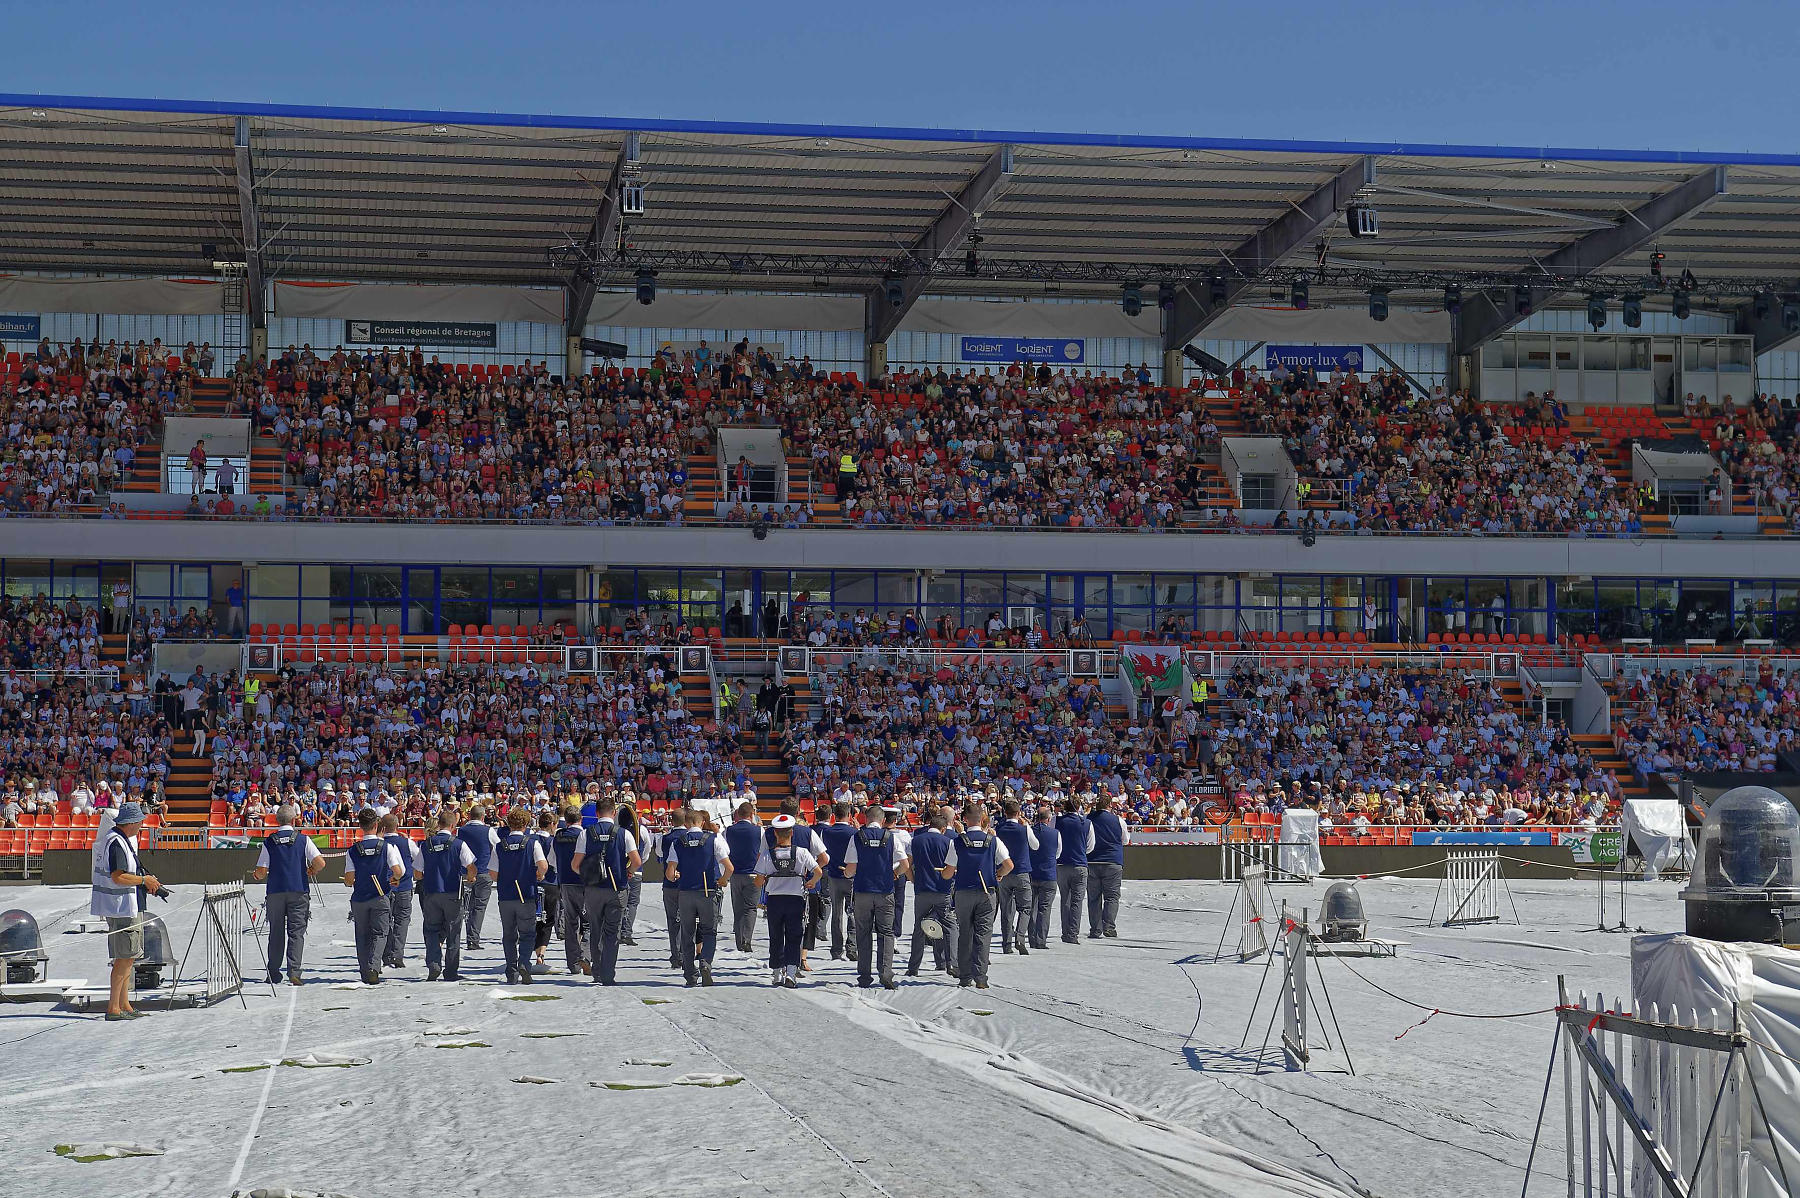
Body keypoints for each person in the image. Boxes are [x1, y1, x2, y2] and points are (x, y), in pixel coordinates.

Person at [91, 802, 165, 1020]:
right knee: (123, 959)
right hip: (122, 908)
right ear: (131, 822)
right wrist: (144, 879)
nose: (142, 823)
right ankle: (114, 1008)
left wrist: (146, 883)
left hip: (128, 905)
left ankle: (124, 1004)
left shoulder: (122, 840)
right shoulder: (116, 843)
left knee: (129, 958)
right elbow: (118, 877)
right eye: (140, 820)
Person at [570, 797, 641, 985]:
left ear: (596, 814)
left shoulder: (586, 833)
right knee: (612, 932)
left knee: (595, 929)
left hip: (593, 890)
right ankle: (608, 973)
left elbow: (575, 865)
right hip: (616, 889)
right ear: (614, 813)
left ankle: (598, 971)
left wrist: (588, 876)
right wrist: (628, 873)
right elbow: (637, 861)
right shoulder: (624, 834)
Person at [252, 802, 324, 985]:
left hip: (275, 891)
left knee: (276, 932)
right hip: (299, 890)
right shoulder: (303, 839)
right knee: (296, 932)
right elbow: (321, 862)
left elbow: (261, 870)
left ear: (276, 820)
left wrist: (257, 875)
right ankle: (294, 972)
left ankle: (274, 972)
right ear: (294, 820)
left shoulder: (269, 841)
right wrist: (312, 870)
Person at [943, 805, 1012, 989]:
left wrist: (945, 874)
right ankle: (981, 977)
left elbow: (948, 872)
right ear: (982, 819)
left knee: (965, 934)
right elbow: (1009, 865)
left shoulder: (957, 841)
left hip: (964, 892)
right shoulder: (993, 840)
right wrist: (998, 874)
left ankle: (965, 976)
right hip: (986, 892)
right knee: (983, 935)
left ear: (965, 819)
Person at [664, 808, 732, 986]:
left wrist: (677, 875)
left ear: (686, 823)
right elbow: (729, 867)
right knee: (709, 931)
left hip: (686, 892)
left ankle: (689, 974)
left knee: (687, 934)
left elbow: (670, 873)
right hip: (707, 891)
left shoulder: (677, 842)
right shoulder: (713, 839)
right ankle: (705, 963)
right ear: (702, 823)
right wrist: (723, 881)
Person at [753, 814, 821, 988]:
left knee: (775, 936)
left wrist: (766, 879)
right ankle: (791, 974)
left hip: (775, 900)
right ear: (792, 833)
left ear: (775, 833)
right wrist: (811, 882)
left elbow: (758, 881)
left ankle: (776, 974)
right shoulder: (802, 852)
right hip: (795, 899)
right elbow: (818, 871)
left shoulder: (768, 855)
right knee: (794, 935)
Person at [843, 804, 906, 989]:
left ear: (865, 818)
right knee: (886, 933)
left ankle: (864, 976)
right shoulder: (891, 837)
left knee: (863, 933)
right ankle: (886, 973)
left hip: (863, 891)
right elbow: (904, 865)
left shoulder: (857, 837)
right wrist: (894, 874)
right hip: (885, 891)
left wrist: (847, 874)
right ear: (883, 820)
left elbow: (851, 868)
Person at [343, 807, 404, 985]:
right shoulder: (387, 847)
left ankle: (365, 970)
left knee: (361, 935)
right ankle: (373, 967)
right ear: (376, 825)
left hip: (360, 897)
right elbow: (398, 871)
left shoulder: (352, 850)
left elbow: (348, 880)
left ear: (360, 826)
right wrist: (394, 878)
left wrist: (351, 881)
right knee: (380, 933)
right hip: (380, 896)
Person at [492, 808, 548, 985]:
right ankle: (524, 963)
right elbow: (543, 865)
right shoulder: (532, 843)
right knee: (527, 933)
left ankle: (511, 970)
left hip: (506, 895)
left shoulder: (499, 845)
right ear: (525, 824)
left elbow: (493, 873)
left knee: (509, 935)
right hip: (526, 893)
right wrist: (539, 874)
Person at [417, 811, 476, 981]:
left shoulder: (426, 844)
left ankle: (434, 965)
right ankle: (450, 971)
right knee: (453, 932)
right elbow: (471, 866)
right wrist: (471, 876)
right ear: (452, 826)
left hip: (431, 892)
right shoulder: (459, 844)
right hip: (453, 893)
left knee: (431, 930)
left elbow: (417, 872)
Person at [905, 807, 957, 977]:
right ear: (943, 829)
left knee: (918, 928)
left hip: (922, 890)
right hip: (942, 890)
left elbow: (907, 864)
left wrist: (913, 879)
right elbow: (952, 866)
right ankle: (952, 964)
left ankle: (913, 967)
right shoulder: (947, 842)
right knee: (950, 927)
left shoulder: (916, 840)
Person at [993, 798, 1038, 955]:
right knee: (1025, 908)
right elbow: (1035, 845)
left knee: (1006, 909)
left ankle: (1007, 944)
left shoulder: (999, 828)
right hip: (1022, 871)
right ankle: (1020, 937)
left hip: (1004, 872)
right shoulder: (1024, 828)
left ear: (1005, 813)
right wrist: (1027, 827)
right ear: (1019, 813)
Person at [551, 806, 590, 976]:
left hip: (565, 882)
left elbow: (551, 861)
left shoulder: (558, 836)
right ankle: (586, 955)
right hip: (584, 882)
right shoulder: (587, 835)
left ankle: (573, 964)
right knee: (589, 922)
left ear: (566, 821)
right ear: (581, 818)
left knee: (571, 923)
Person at [1085, 793, 1130, 939]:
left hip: (1092, 861)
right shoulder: (1118, 820)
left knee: (1094, 897)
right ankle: (1109, 927)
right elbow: (1125, 840)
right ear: (1110, 805)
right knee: (1111, 897)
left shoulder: (1088, 819)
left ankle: (1095, 929)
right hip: (1112, 862)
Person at [816, 800, 856, 960]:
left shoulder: (826, 832)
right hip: (851, 876)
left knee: (837, 914)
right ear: (849, 815)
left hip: (833, 875)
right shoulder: (854, 832)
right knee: (853, 912)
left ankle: (837, 949)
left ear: (834, 816)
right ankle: (852, 947)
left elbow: (821, 854)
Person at [723, 801, 763, 953]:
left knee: (738, 908)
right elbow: (763, 852)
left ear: (738, 815)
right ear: (752, 814)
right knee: (751, 908)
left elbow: (724, 851)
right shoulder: (759, 831)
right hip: (753, 872)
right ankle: (747, 939)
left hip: (735, 873)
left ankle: (740, 941)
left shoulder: (729, 830)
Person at [379, 814, 418, 970]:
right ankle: (397, 954)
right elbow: (418, 859)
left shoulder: (379, 843)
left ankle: (387, 954)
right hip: (403, 887)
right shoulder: (407, 842)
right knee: (402, 921)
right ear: (398, 825)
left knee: (384, 921)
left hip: (384, 888)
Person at [458, 805, 499, 950]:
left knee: (466, 906)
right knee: (479, 907)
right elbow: (498, 848)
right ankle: (473, 939)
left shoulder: (461, 830)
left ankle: (466, 936)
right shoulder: (489, 830)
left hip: (465, 872)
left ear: (469, 816)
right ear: (483, 817)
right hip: (483, 871)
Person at [1055, 797, 1093, 945]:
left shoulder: (1056, 820)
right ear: (1079, 807)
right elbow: (1090, 845)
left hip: (1062, 864)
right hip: (1079, 864)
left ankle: (1066, 932)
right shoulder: (1087, 823)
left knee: (1065, 899)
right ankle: (1072, 933)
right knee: (1077, 901)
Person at [1027, 804, 1060, 951]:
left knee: (1031, 907)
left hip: (1032, 873)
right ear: (1049, 818)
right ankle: (1040, 940)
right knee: (1044, 909)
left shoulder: (1029, 832)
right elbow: (1058, 853)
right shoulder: (1055, 833)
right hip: (1048, 874)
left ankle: (1032, 938)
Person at [617, 801, 645, 945]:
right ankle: (626, 932)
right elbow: (646, 851)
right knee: (632, 903)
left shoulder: (616, 831)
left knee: (620, 902)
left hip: (619, 869)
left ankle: (618, 931)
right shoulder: (643, 830)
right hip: (636, 870)